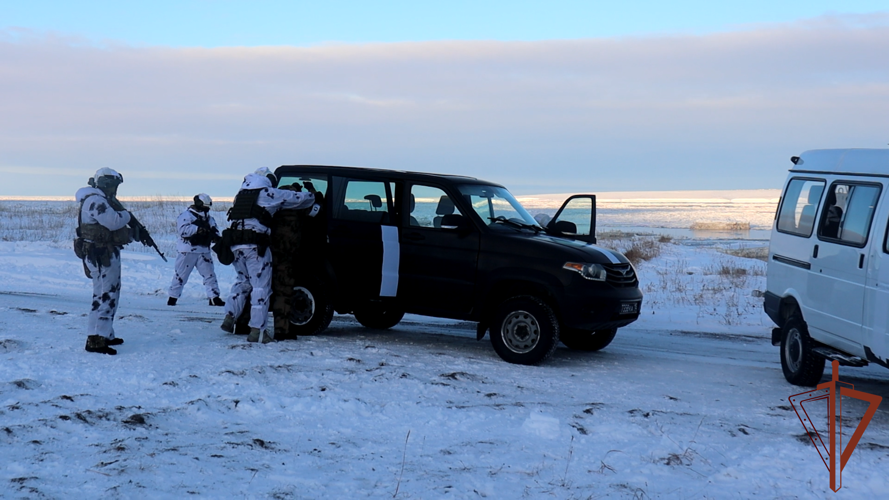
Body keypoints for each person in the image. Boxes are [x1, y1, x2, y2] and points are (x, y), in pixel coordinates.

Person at [220, 167, 318, 343]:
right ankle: (258, 331)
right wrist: (313, 195)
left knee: (243, 282)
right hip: (254, 246)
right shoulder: (267, 193)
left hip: (235, 245)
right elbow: (298, 199)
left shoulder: (241, 195)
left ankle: (230, 315)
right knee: (261, 288)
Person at [74, 168, 132, 355]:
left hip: (100, 252)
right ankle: (96, 339)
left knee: (105, 293)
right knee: (106, 294)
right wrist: (127, 215)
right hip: (101, 253)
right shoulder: (96, 201)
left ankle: (104, 333)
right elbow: (114, 222)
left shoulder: (95, 199)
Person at [167, 194, 224, 306]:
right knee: (181, 275)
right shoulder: (186, 216)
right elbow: (182, 230)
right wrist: (198, 229)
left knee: (210, 275)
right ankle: (172, 298)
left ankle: (214, 297)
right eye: (205, 207)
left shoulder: (208, 218)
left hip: (203, 251)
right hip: (188, 250)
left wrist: (215, 237)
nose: (206, 209)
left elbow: (215, 231)